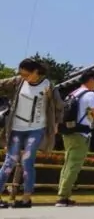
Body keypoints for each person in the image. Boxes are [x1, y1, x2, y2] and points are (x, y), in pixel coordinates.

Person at [0, 58, 63, 209]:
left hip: (36, 128)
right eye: (21, 74)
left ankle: (26, 198)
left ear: (36, 72)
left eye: (26, 74)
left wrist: (55, 124)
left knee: (28, 162)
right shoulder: (18, 81)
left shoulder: (48, 86)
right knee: (9, 162)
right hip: (16, 127)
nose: (24, 77)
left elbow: (59, 106)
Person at [54, 69, 94, 208]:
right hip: (80, 134)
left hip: (68, 132)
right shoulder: (90, 94)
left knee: (68, 163)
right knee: (74, 165)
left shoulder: (73, 93)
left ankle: (65, 195)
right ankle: (62, 197)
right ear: (92, 79)